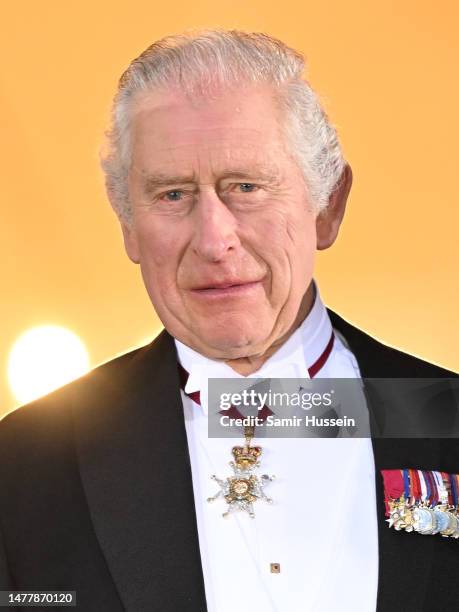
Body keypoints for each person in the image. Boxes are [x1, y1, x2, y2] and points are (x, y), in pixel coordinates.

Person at [0, 29, 457, 612]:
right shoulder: (26, 465)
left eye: (245, 186)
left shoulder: (447, 416)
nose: (215, 240)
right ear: (128, 227)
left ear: (328, 205)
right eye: (171, 195)